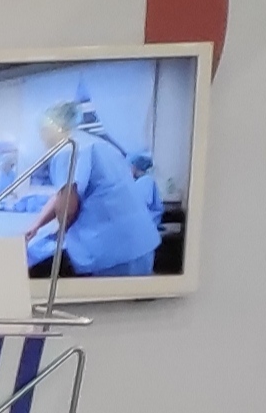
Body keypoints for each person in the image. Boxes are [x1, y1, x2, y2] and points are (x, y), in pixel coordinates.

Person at [22, 100, 162, 281]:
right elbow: (62, 194)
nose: (41, 138)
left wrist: (59, 232)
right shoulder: (98, 144)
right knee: (136, 296)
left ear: (53, 128)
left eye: (42, 131)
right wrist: (37, 225)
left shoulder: (68, 149)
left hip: (110, 250)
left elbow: (67, 204)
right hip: (140, 241)